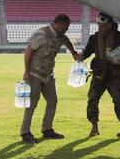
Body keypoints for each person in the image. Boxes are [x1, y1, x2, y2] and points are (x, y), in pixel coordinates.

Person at [21, 14, 80, 144]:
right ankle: (25, 132)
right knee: (32, 103)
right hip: (35, 73)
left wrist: (74, 53)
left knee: (52, 100)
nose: (66, 29)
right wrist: (26, 71)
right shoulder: (42, 34)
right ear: (59, 24)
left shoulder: (60, 36)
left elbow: (67, 42)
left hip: (48, 75)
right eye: (65, 27)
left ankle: (47, 129)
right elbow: (28, 51)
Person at [81, 13, 120, 138]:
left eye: (103, 25)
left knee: (118, 99)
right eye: (99, 25)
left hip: (113, 74)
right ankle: (94, 127)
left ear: (110, 24)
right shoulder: (94, 38)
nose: (101, 28)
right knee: (92, 99)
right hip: (98, 73)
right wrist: (80, 56)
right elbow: (87, 51)